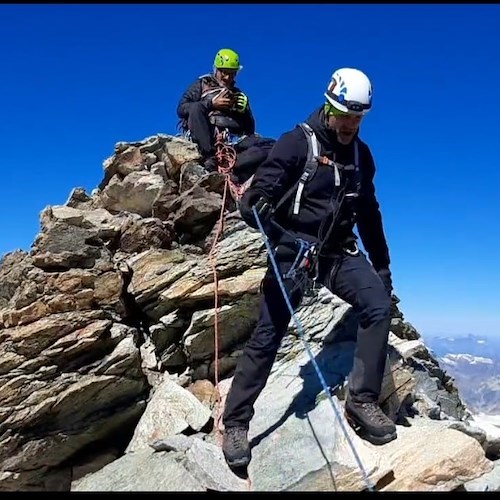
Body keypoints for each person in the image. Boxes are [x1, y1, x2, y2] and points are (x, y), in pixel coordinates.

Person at [221, 67, 397, 469]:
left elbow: (368, 211)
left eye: (359, 117)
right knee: (269, 333)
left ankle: (362, 400)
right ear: (329, 105)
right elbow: (263, 187)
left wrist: (382, 265)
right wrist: (255, 206)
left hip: (336, 253)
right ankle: (235, 423)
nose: (351, 124)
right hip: (292, 249)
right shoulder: (297, 142)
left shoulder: (360, 156)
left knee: (377, 305)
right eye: (346, 114)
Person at [176, 48, 256, 170]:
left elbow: (250, 130)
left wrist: (245, 112)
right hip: (208, 137)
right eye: (224, 72)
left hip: (233, 141)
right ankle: (209, 158)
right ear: (216, 69)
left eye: (232, 73)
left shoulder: (238, 95)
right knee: (197, 107)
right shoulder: (202, 84)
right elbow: (182, 108)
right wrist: (211, 104)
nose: (227, 77)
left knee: (268, 145)